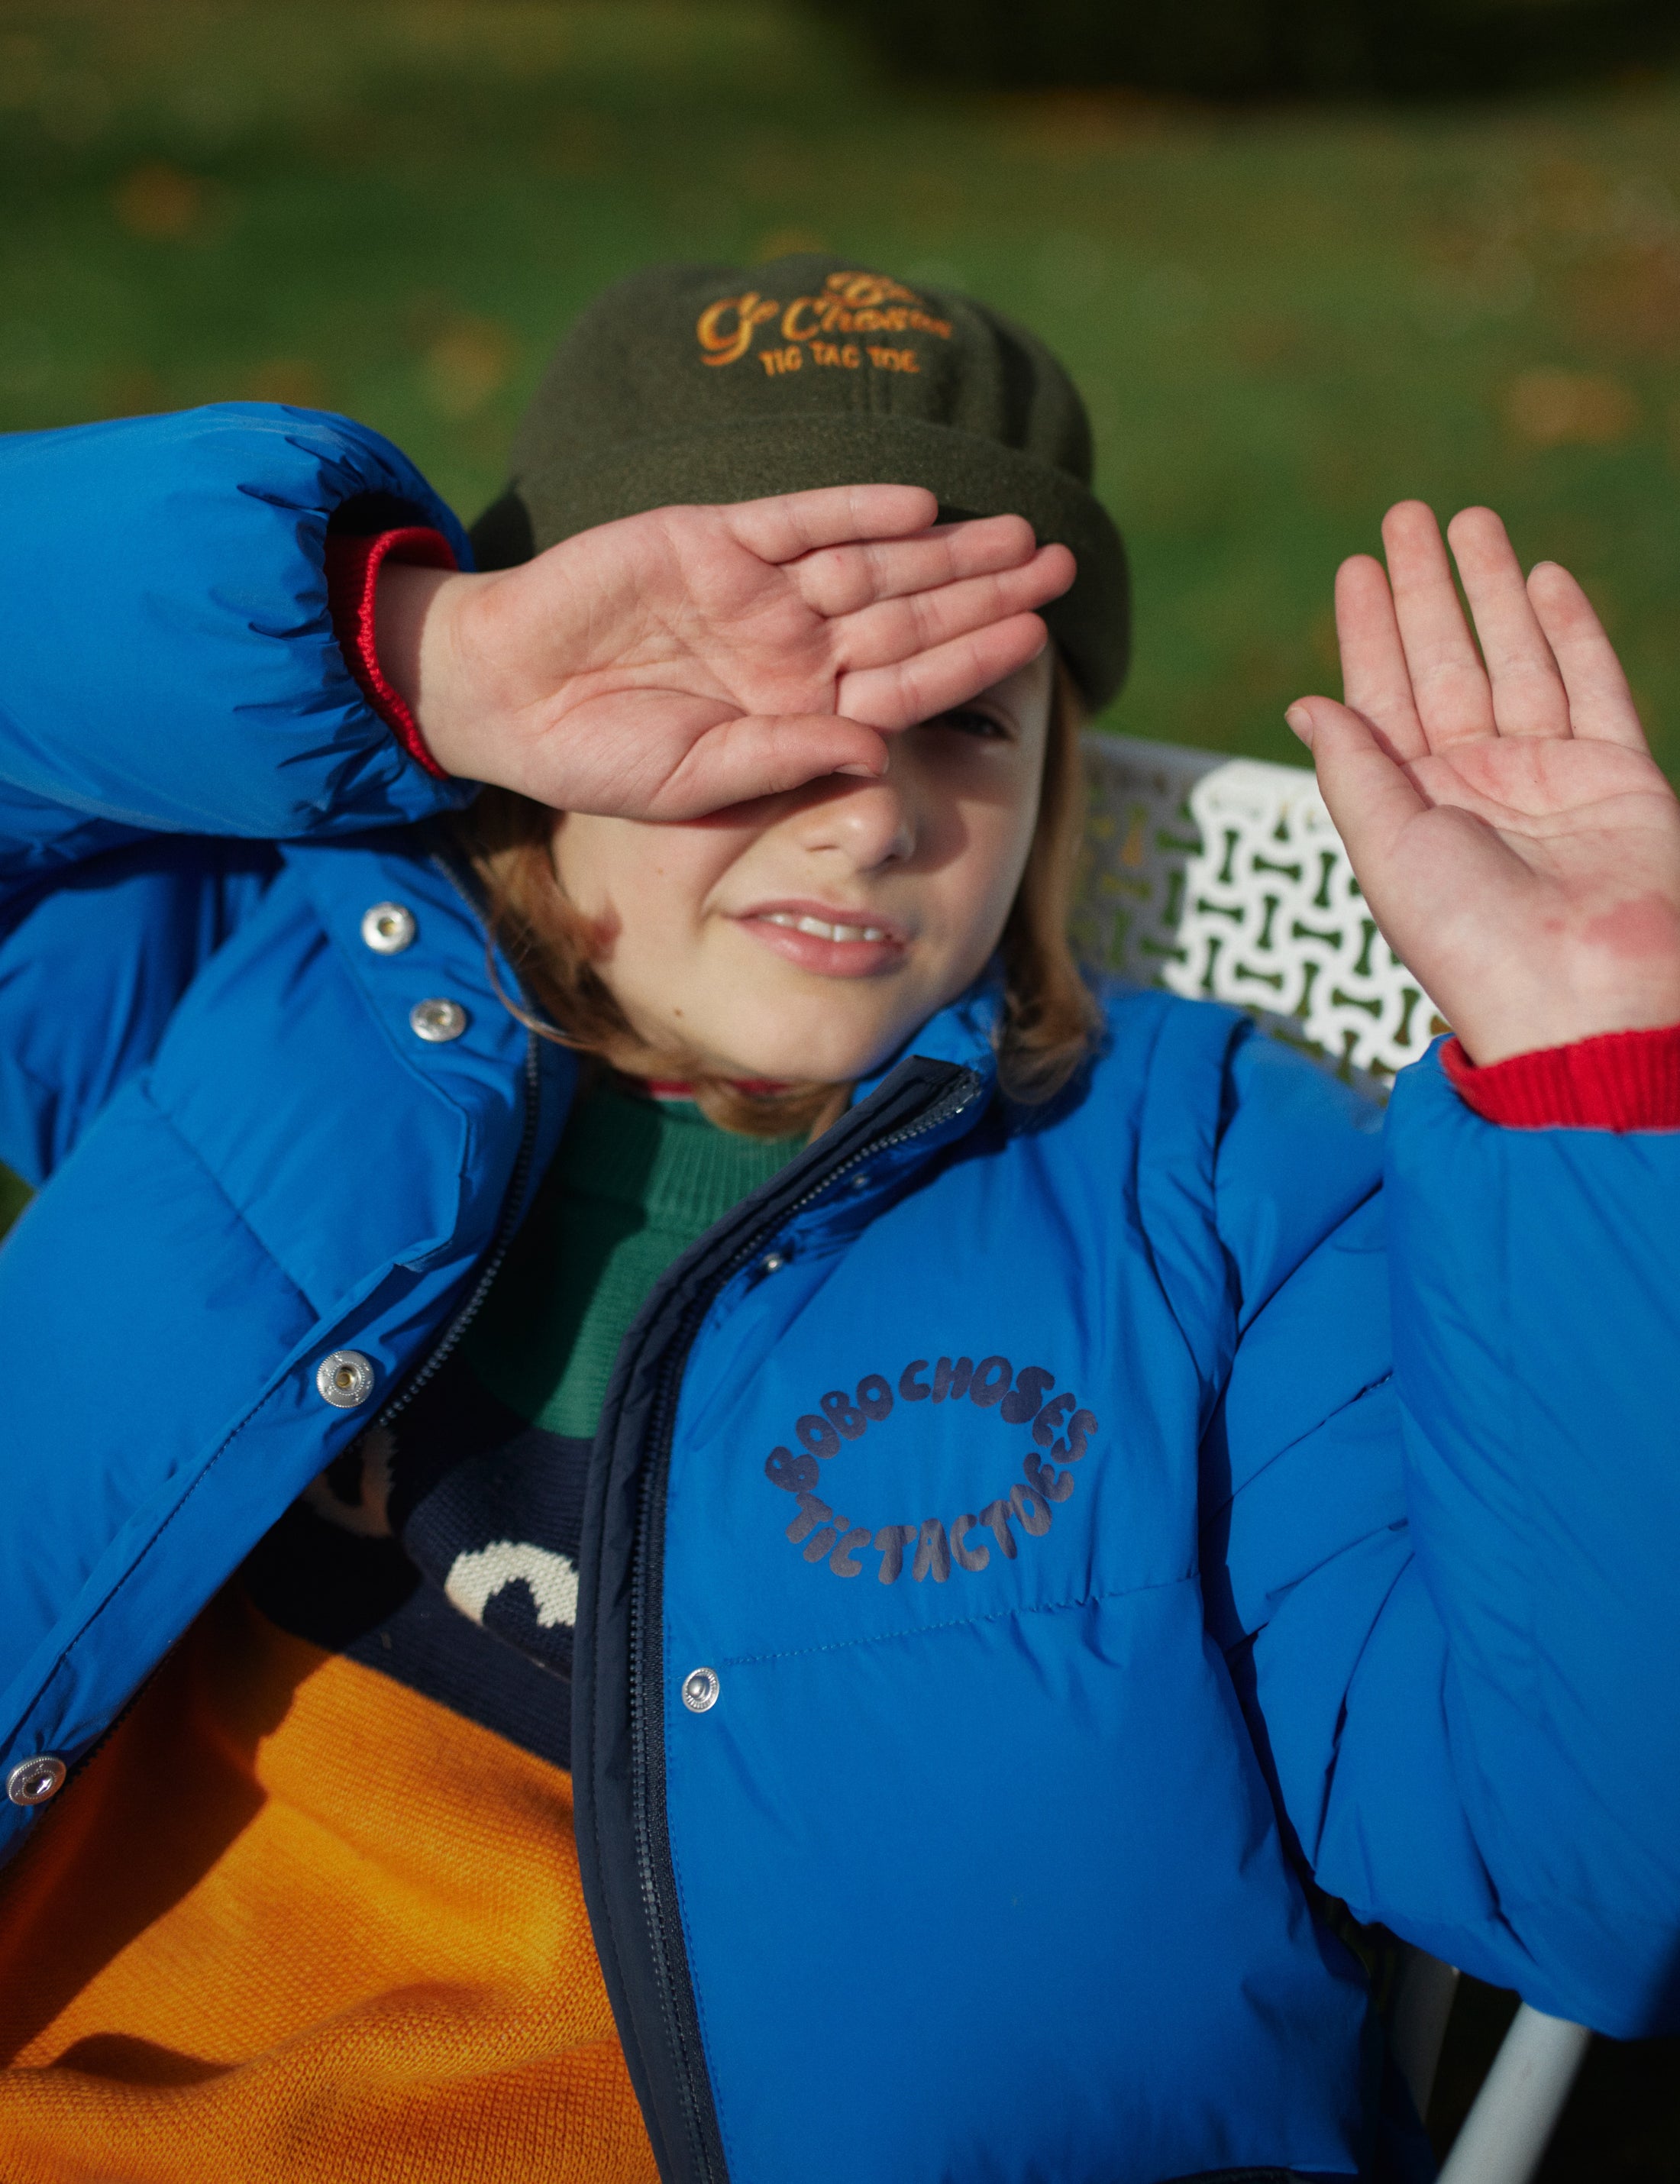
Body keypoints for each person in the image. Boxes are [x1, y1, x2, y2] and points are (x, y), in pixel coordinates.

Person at [0, 254, 1675, 2184]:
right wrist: (421, 650)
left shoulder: (1214, 1183)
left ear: (1051, 788)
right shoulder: (259, 970)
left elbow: (1581, 1879)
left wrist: (1584, 1070)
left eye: (966, 716)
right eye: (748, 686)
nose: (867, 807)